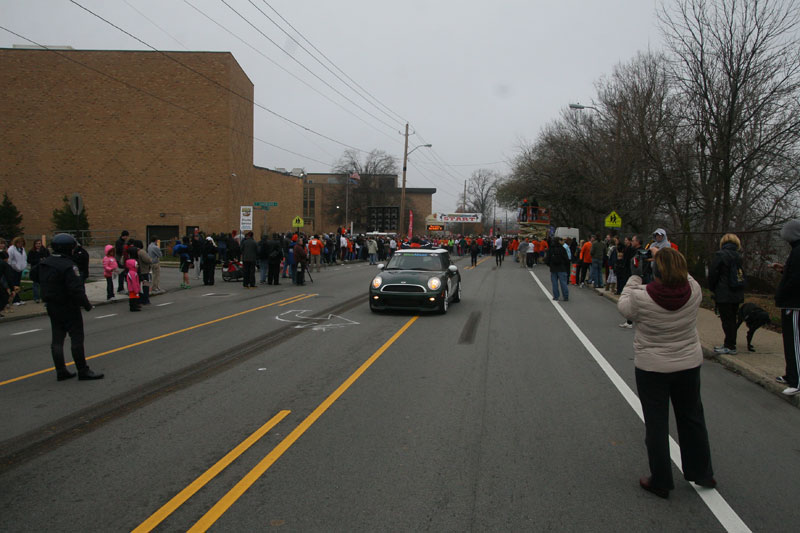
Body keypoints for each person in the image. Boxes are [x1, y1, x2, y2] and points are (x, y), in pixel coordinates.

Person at [618, 247, 715, 498]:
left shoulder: (641, 296)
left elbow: (624, 307)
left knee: (657, 423)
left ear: (654, 271)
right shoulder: (694, 290)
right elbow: (688, 276)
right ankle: (702, 472)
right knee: (692, 418)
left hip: (652, 368)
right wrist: (665, 252)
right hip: (688, 364)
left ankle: (661, 480)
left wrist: (634, 276)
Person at [34, 234, 103, 381]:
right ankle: (82, 370)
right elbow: (75, 288)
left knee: (57, 339)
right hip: (69, 306)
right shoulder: (68, 266)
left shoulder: (45, 263)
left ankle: (61, 370)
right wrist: (86, 304)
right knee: (76, 338)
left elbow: (34, 275)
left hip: (52, 306)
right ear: (68, 249)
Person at [770, 219, 800, 396]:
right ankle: (791, 375)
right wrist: (784, 270)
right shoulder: (795, 251)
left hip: (795, 304)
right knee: (790, 342)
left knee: (795, 343)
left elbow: (796, 279)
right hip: (790, 303)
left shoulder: (798, 252)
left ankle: (796, 381)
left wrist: (783, 294)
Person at [708, 233, 745, 355]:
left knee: (726, 320)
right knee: (732, 319)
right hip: (736, 291)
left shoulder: (720, 255)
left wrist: (712, 288)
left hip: (724, 292)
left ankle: (729, 345)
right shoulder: (738, 256)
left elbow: (713, 274)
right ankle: (730, 343)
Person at [545, 236, 570, 301]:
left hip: (553, 268)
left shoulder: (550, 249)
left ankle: (556, 296)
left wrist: (550, 265)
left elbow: (547, 259)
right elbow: (566, 259)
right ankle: (565, 296)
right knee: (563, 283)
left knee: (555, 283)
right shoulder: (562, 249)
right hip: (562, 268)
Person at [28, 238, 49, 303]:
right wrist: (38, 260)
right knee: (35, 284)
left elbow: (49, 258)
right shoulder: (31, 251)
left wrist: (44, 260)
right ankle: (36, 297)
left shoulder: (45, 250)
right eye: (36, 244)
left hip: (43, 268)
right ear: (34, 244)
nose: (38, 245)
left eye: (39, 243)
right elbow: (29, 260)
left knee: (44, 284)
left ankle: (44, 297)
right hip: (35, 269)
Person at [8, 236, 27, 305]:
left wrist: (23, 266)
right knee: (14, 285)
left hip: (20, 269)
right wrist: (13, 266)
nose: (20, 244)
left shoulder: (22, 249)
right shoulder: (11, 249)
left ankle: (18, 299)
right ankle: (14, 300)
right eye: (19, 242)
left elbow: (24, 258)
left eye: (22, 242)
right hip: (13, 269)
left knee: (18, 285)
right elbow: (9, 260)